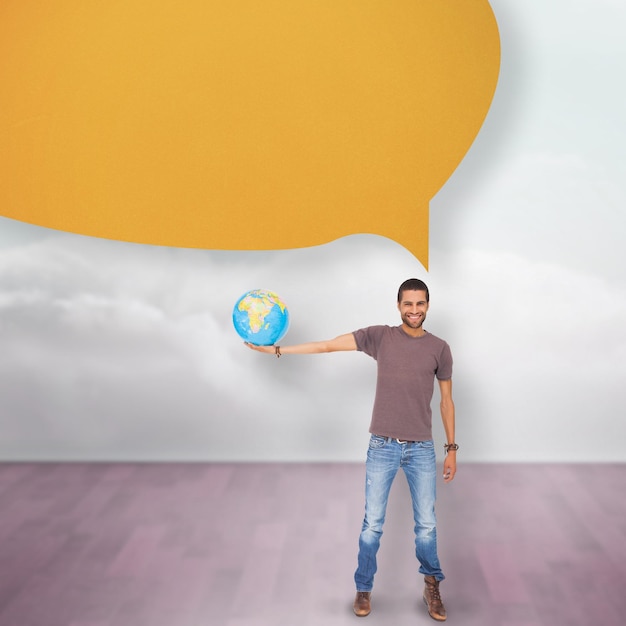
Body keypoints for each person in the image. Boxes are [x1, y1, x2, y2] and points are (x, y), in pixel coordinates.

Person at [245, 278, 457, 621]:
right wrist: (279, 351)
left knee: (427, 526)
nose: (414, 310)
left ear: (428, 306)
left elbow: (447, 402)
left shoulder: (440, 348)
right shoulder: (380, 337)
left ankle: (431, 584)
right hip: (382, 446)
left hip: (421, 449)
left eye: (420, 304)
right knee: (372, 524)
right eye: (408, 304)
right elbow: (327, 346)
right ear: (398, 305)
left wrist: (451, 448)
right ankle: (363, 588)